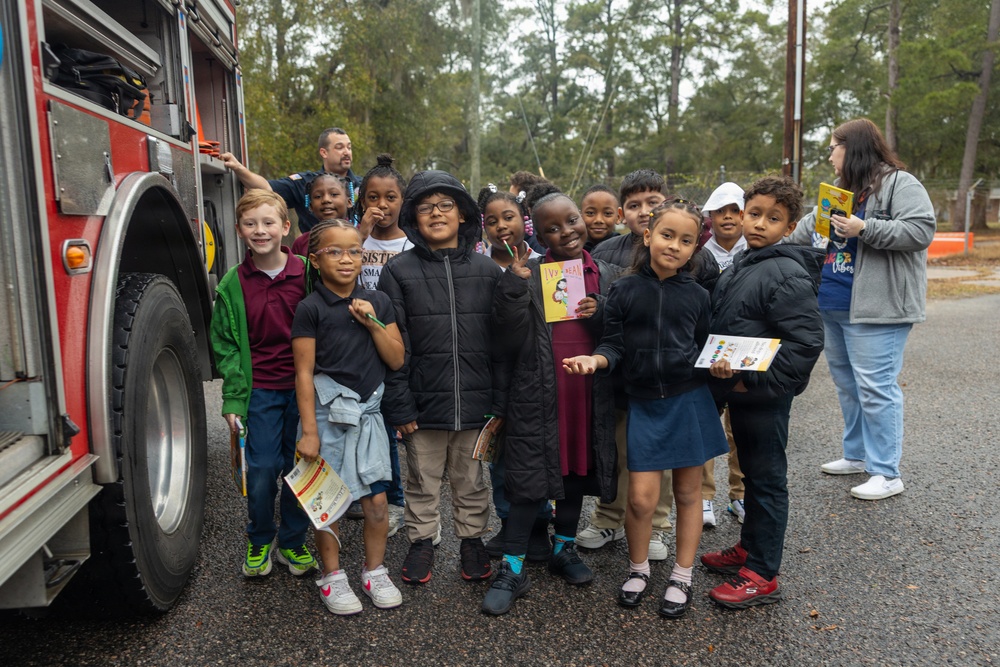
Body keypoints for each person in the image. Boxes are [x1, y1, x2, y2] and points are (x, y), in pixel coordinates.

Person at [565, 199, 728, 619]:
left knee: (689, 493)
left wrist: (721, 365)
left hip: (687, 400)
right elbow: (613, 345)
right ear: (648, 235)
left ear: (695, 247)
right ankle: (638, 570)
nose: (675, 245)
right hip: (643, 404)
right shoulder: (622, 289)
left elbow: (706, 348)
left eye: (686, 240)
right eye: (667, 235)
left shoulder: (696, 294)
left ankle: (682, 575)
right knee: (638, 499)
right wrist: (595, 361)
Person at [482, 193, 618, 615]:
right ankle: (513, 566)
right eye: (552, 229)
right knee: (528, 481)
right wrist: (514, 284)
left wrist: (602, 312)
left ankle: (564, 548)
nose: (566, 232)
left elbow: (619, 335)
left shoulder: (605, 274)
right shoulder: (529, 271)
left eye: (571, 220)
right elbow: (504, 337)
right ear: (536, 236)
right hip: (538, 391)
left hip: (586, 392)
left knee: (575, 472)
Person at [789, 118, 935, 501]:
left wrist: (865, 228)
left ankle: (887, 473)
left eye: (833, 148)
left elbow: (921, 231)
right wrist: (774, 241)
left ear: (851, 148)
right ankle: (856, 455)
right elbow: (808, 228)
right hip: (834, 303)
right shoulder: (841, 190)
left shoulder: (901, 184)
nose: (830, 156)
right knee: (849, 386)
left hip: (878, 307)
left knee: (876, 388)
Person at [701, 176, 825, 609]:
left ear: (789, 228)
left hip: (764, 396)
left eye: (774, 219)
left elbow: (806, 344)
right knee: (752, 475)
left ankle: (762, 573)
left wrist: (750, 380)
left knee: (768, 481)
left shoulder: (786, 271)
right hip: (741, 391)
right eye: (754, 214)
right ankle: (748, 548)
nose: (759, 224)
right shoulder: (747, 263)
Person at [378, 170, 502, 585]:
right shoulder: (398, 271)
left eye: (446, 205)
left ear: (464, 215)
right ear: (412, 217)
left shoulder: (488, 271)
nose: (436, 213)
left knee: (471, 480)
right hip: (422, 404)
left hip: (475, 401)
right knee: (421, 479)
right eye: (425, 207)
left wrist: (499, 402)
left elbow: (503, 345)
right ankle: (421, 542)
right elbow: (393, 345)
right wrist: (400, 403)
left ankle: (472, 541)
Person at [292, 218, 405, 615]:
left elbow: (396, 357)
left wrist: (372, 321)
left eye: (354, 251)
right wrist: (309, 431)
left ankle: (374, 571)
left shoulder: (379, 301)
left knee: (377, 501)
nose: (346, 259)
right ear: (316, 259)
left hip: (370, 415)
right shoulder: (310, 308)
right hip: (327, 415)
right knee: (330, 501)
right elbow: (304, 372)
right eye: (335, 251)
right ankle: (332, 576)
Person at [209, 190, 315, 579]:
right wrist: (234, 400)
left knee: (299, 466)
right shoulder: (232, 285)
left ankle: (291, 541)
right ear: (239, 230)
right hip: (261, 391)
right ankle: (259, 537)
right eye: (251, 224)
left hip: (306, 390)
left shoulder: (307, 272)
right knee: (261, 468)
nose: (260, 230)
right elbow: (225, 346)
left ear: (285, 227)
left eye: (269, 222)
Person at [578, 169, 679, 561]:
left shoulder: (684, 256)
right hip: (617, 372)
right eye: (634, 205)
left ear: (666, 205)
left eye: (652, 203)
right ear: (623, 213)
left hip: (663, 377)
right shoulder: (604, 254)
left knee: (659, 454)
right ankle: (608, 517)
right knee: (615, 449)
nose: (644, 211)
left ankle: (655, 524)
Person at [476, 184, 550, 562]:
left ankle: (540, 524)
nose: (501, 227)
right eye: (492, 221)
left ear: (524, 220)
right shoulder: (480, 267)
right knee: (500, 457)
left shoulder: (544, 263)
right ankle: (509, 523)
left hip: (533, 373)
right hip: (491, 375)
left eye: (509, 217)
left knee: (533, 455)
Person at [354, 155, 412, 536]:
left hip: (396, 339)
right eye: (373, 197)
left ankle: (397, 501)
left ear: (402, 202)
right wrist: (360, 231)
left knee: (393, 423)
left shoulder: (411, 243)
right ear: (361, 202)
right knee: (365, 423)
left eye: (390, 197)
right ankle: (372, 494)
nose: (382, 205)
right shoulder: (353, 237)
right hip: (357, 340)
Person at [698, 182, 748, 526]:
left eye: (735, 211)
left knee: (740, 427)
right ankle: (702, 498)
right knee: (704, 424)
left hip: (746, 351)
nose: (727, 217)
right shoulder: (698, 254)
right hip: (706, 351)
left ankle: (740, 495)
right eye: (720, 211)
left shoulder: (757, 250)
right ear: (709, 217)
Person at [220, 127, 362, 232]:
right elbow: (265, 189)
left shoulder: (364, 186)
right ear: (324, 152)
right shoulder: (305, 183)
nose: (346, 152)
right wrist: (238, 168)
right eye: (339, 147)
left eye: (349, 148)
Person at [289, 173, 350, 258]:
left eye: (334, 194)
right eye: (318, 196)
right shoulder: (302, 243)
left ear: (349, 202)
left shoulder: (362, 233)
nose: (326, 200)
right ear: (311, 206)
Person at [580, 184, 621, 252]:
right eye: (590, 213)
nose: (598, 220)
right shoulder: (572, 250)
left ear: (618, 217)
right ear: (580, 216)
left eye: (607, 213)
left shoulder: (625, 249)